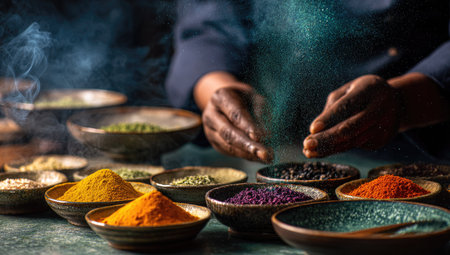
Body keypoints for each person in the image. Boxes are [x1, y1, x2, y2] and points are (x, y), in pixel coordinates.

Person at [166, 0, 450, 163]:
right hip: (269, 145)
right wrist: (217, 91)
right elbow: (207, 25)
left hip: (419, 154)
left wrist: (405, 101)